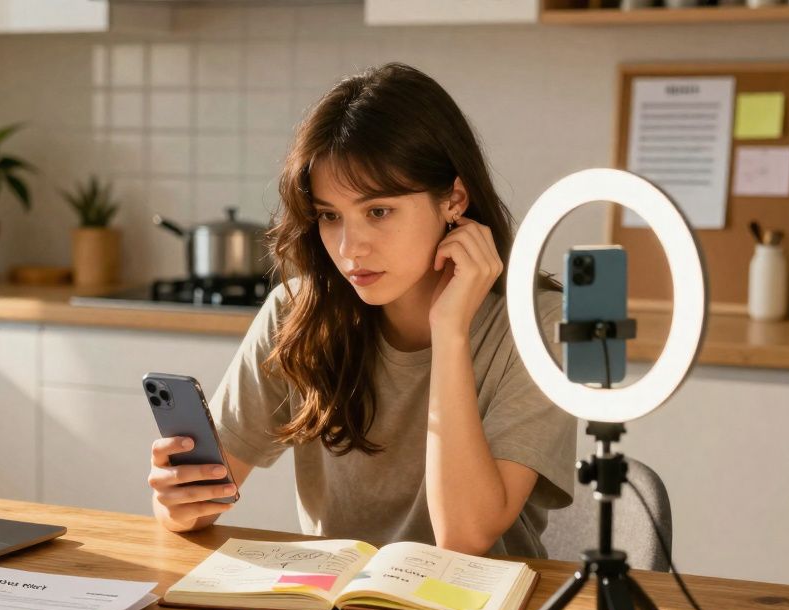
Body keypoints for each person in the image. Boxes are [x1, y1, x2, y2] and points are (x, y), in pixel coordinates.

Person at [147, 63, 575, 558]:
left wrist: (450, 332)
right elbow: (189, 508)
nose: (350, 248)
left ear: (454, 199)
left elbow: (465, 539)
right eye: (330, 216)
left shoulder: (538, 328)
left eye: (378, 211)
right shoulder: (298, 314)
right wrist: (177, 501)